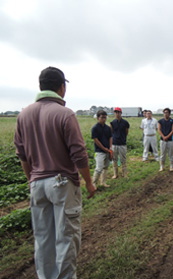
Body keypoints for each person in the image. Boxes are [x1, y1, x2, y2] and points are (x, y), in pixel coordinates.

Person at [14, 66, 96, 279]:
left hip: (37, 183)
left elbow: (22, 154)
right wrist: (88, 182)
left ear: (41, 86)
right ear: (62, 87)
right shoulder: (65, 114)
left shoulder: (23, 115)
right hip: (62, 183)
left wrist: (31, 179)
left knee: (43, 238)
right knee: (66, 237)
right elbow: (79, 153)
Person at [92, 110, 113, 187]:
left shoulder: (107, 128)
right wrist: (104, 148)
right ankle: (94, 184)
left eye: (105, 117)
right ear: (98, 118)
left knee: (106, 167)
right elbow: (96, 140)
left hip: (107, 150)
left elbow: (110, 137)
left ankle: (103, 182)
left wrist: (110, 148)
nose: (104, 119)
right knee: (99, 168)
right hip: (99, 151)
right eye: (102, 117)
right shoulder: (95, 128)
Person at [110, 107, 130, 178]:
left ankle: (124, 174)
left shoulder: (125, 123)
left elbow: (126, 132)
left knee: (123, 160)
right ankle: (115, 174)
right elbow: (111, 133)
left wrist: (122, 138)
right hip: (114, 144)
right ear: (114, 113)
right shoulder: (112, 123)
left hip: (122, 144)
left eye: (118, 112)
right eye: (116, 112)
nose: (117, 114)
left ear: (121, 113)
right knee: (114, 160)